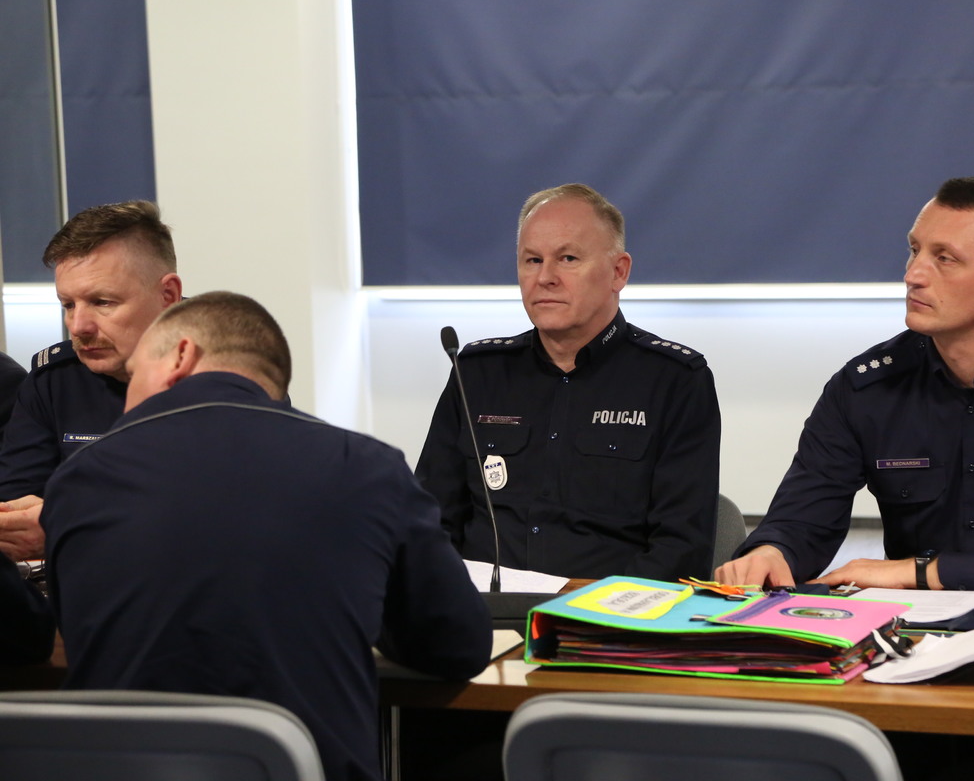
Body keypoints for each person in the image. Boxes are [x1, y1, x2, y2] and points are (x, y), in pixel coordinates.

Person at [39, 291, 491, 781]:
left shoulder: (77, 480)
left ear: (181, 356)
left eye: (134, 375)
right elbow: (459, 645)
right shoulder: (368, 468)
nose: (126, 404)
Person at [717, 177, 974, 598]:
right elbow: (805, 517)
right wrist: (773, 550)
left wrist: (920, 572)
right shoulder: (866, 386)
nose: (913, 274)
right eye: (914, 249)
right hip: (914, 630)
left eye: (945, 259)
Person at [416, 183, 721, 581]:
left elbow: (681, 550)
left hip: (609, 613)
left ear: (618, 272)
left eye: (568, 258)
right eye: (532, 260)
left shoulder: (675, 381)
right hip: (482, 609)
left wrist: (584, 604)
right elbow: (428, 524)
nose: (545, 277)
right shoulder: (475, 372)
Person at [0, 200, 183, 561]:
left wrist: (69, 524)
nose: (78, 326)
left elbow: (228, 507)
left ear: (168, 296)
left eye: (102, 302)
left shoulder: (230, 370)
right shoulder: (54, 381)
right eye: (68, 305)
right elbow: (14, 505)